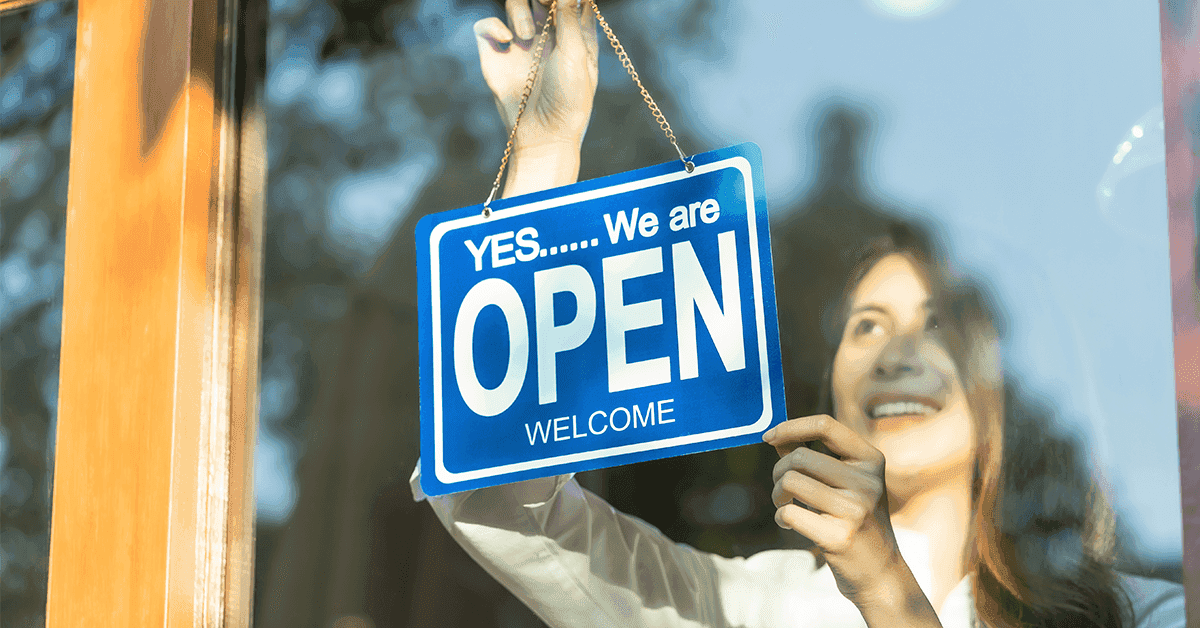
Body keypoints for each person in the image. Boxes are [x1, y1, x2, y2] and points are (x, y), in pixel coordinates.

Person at [410, 1, 1187, 626]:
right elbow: (497, 495)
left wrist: (886, 584)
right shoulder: (747, 608)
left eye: (937, 322)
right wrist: (546, 151)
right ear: (833, 390)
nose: (894, 353)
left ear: (1008, 380)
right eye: (866, 325)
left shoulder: (1150, 613)